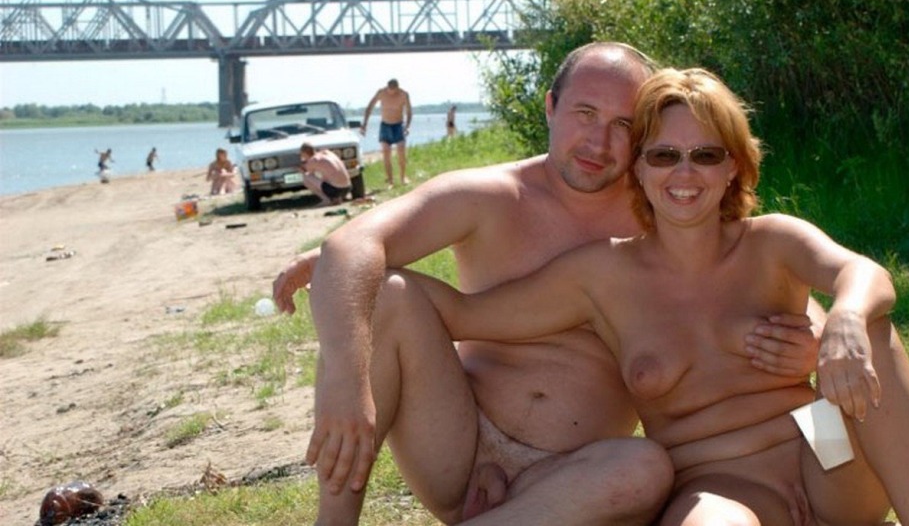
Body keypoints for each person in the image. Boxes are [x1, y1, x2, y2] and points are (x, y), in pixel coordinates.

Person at [273, 43, 819, 526]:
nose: (599, 141)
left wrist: (813, 343)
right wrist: (348, 379)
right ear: (551, 107)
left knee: (644, 467)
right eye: (584, 112)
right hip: (457, 445)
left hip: (576, 474)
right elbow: (353, 245)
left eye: (624, 125)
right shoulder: (491, 196)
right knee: (387, 292)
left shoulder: (665, 210)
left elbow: (768, 283)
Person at [416, 67, 909, 526]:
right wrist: (361, 269)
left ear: (733, 166)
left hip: (823, 451)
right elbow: (465, 315)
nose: (684, 173)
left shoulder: (772, 240)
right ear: (639, 170)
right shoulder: (601, 272)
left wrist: (846, 319)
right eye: (664, 154)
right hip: (716, 483)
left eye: (705, 154)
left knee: (873, 329)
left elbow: (865, 274)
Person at [361, 78, 412, 186]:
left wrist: (407, 126)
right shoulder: (381, 93)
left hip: (398, 125)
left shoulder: (404, 94)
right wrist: (365, 124)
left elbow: (409, 112)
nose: (392, 93)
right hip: (385, 125)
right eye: (390, 91)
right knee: (386, 152)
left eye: (394, 91)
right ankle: (390, 181)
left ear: (398, 88)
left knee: (401, 152)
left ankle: (403, 177)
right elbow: (369, 107)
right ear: (387, 88)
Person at [300, 143, 352, 207]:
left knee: (306, 177)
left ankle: (326, 200)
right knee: (327, 174)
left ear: (304, 153)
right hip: (348, 187)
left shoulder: (313, 160)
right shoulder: (327, 152)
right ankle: (336, 198)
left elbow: (305, 170)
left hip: (336, 190)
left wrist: (300, 167)